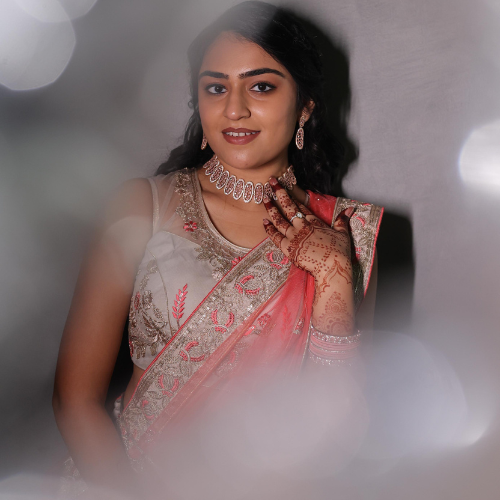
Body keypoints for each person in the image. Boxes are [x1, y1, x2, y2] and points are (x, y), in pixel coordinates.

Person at [52, 1, 383, 496]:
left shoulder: (348, 231)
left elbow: (340, 427)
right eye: (215, 87)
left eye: (261, 86)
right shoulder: (142, 207)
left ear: (305, 106)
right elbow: (75, 400)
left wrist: (335, 275)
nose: (234, 108)